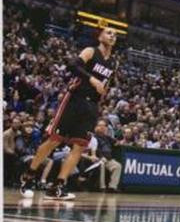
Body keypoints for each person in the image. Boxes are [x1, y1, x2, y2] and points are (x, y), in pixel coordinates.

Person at [19, 26, 119, 200]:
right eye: (109, 32)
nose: (112, 36)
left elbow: (106, 84)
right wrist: (92, 79)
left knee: (79, 146)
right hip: (74, 100)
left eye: (115, 34)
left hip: (91, 106)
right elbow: (72, 65)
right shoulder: (90, 51)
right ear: (100, 35)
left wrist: (102, 93)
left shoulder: (113, 62)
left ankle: (57, 186)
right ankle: (28, 176)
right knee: (53, 140)